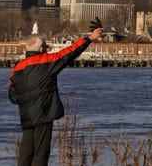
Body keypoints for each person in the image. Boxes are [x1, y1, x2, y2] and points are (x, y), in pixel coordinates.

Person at [8, 21, 104, 165]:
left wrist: (27, 100)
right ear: (41, 49)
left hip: (26, 114)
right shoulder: (45, 60)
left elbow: (12, 95)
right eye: (46, 47)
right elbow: (69, 53)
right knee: (41, 152)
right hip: (44, 113)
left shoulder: (17, 69)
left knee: (26, 151)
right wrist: (90, 38)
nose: (47, 50)